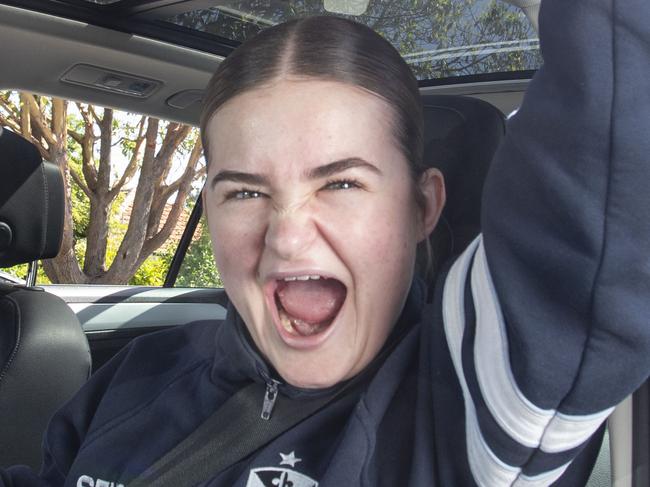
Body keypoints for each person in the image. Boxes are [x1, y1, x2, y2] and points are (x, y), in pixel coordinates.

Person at [2, 0, 650, 485]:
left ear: (422, 205)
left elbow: (612, 169)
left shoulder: (463, 410)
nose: (285, 237)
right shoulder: (139, 372)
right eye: (246, 192)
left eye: (339, 183)